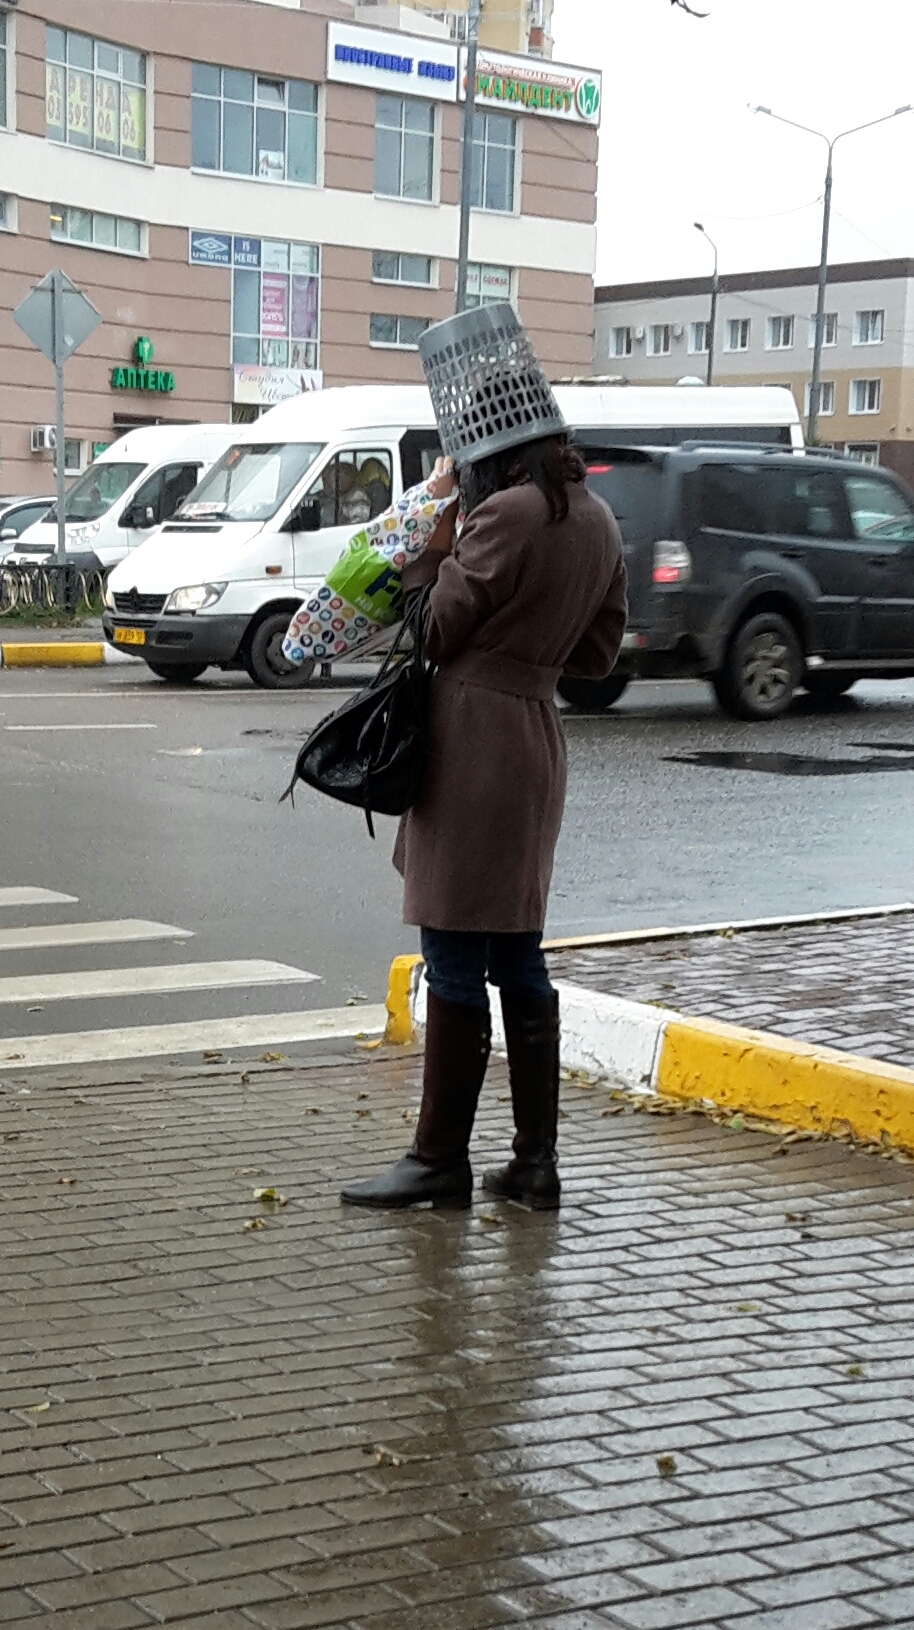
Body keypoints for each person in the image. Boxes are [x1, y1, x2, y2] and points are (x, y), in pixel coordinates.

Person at [340, 434, 627, 1212]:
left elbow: (434, 628)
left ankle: (439, 1161)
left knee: (455, 945)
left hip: (474, 743)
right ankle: (535, 1164)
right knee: (516, 950)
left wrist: (436, 549)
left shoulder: (506, 512)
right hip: (535, 739)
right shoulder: (596, 517)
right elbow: (600, 653)